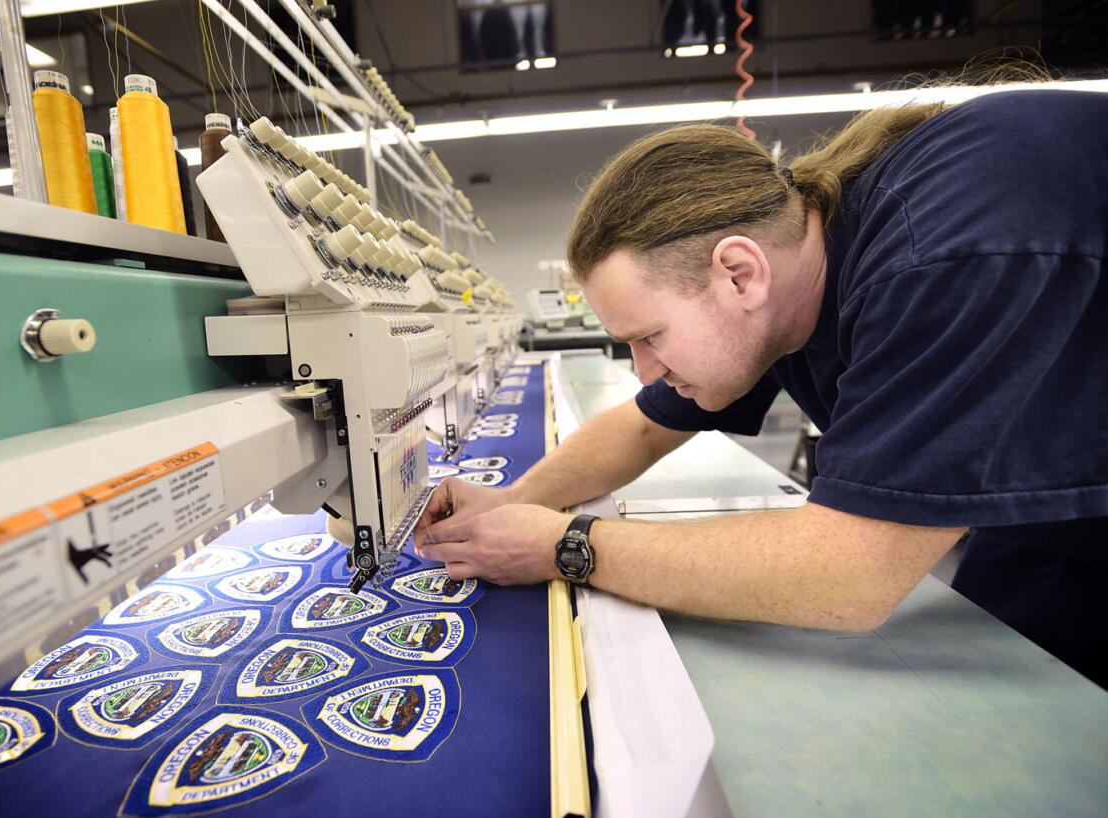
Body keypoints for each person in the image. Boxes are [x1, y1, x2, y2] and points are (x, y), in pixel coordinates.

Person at [414, 84, 1108, 688]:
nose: (644, 368)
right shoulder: (786, 285)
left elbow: (850, 576)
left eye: (650, 336)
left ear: (739, 272)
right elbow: (647, 423)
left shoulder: (939, 255)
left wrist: (563, 544)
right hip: (1050, 522)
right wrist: (512, 503)